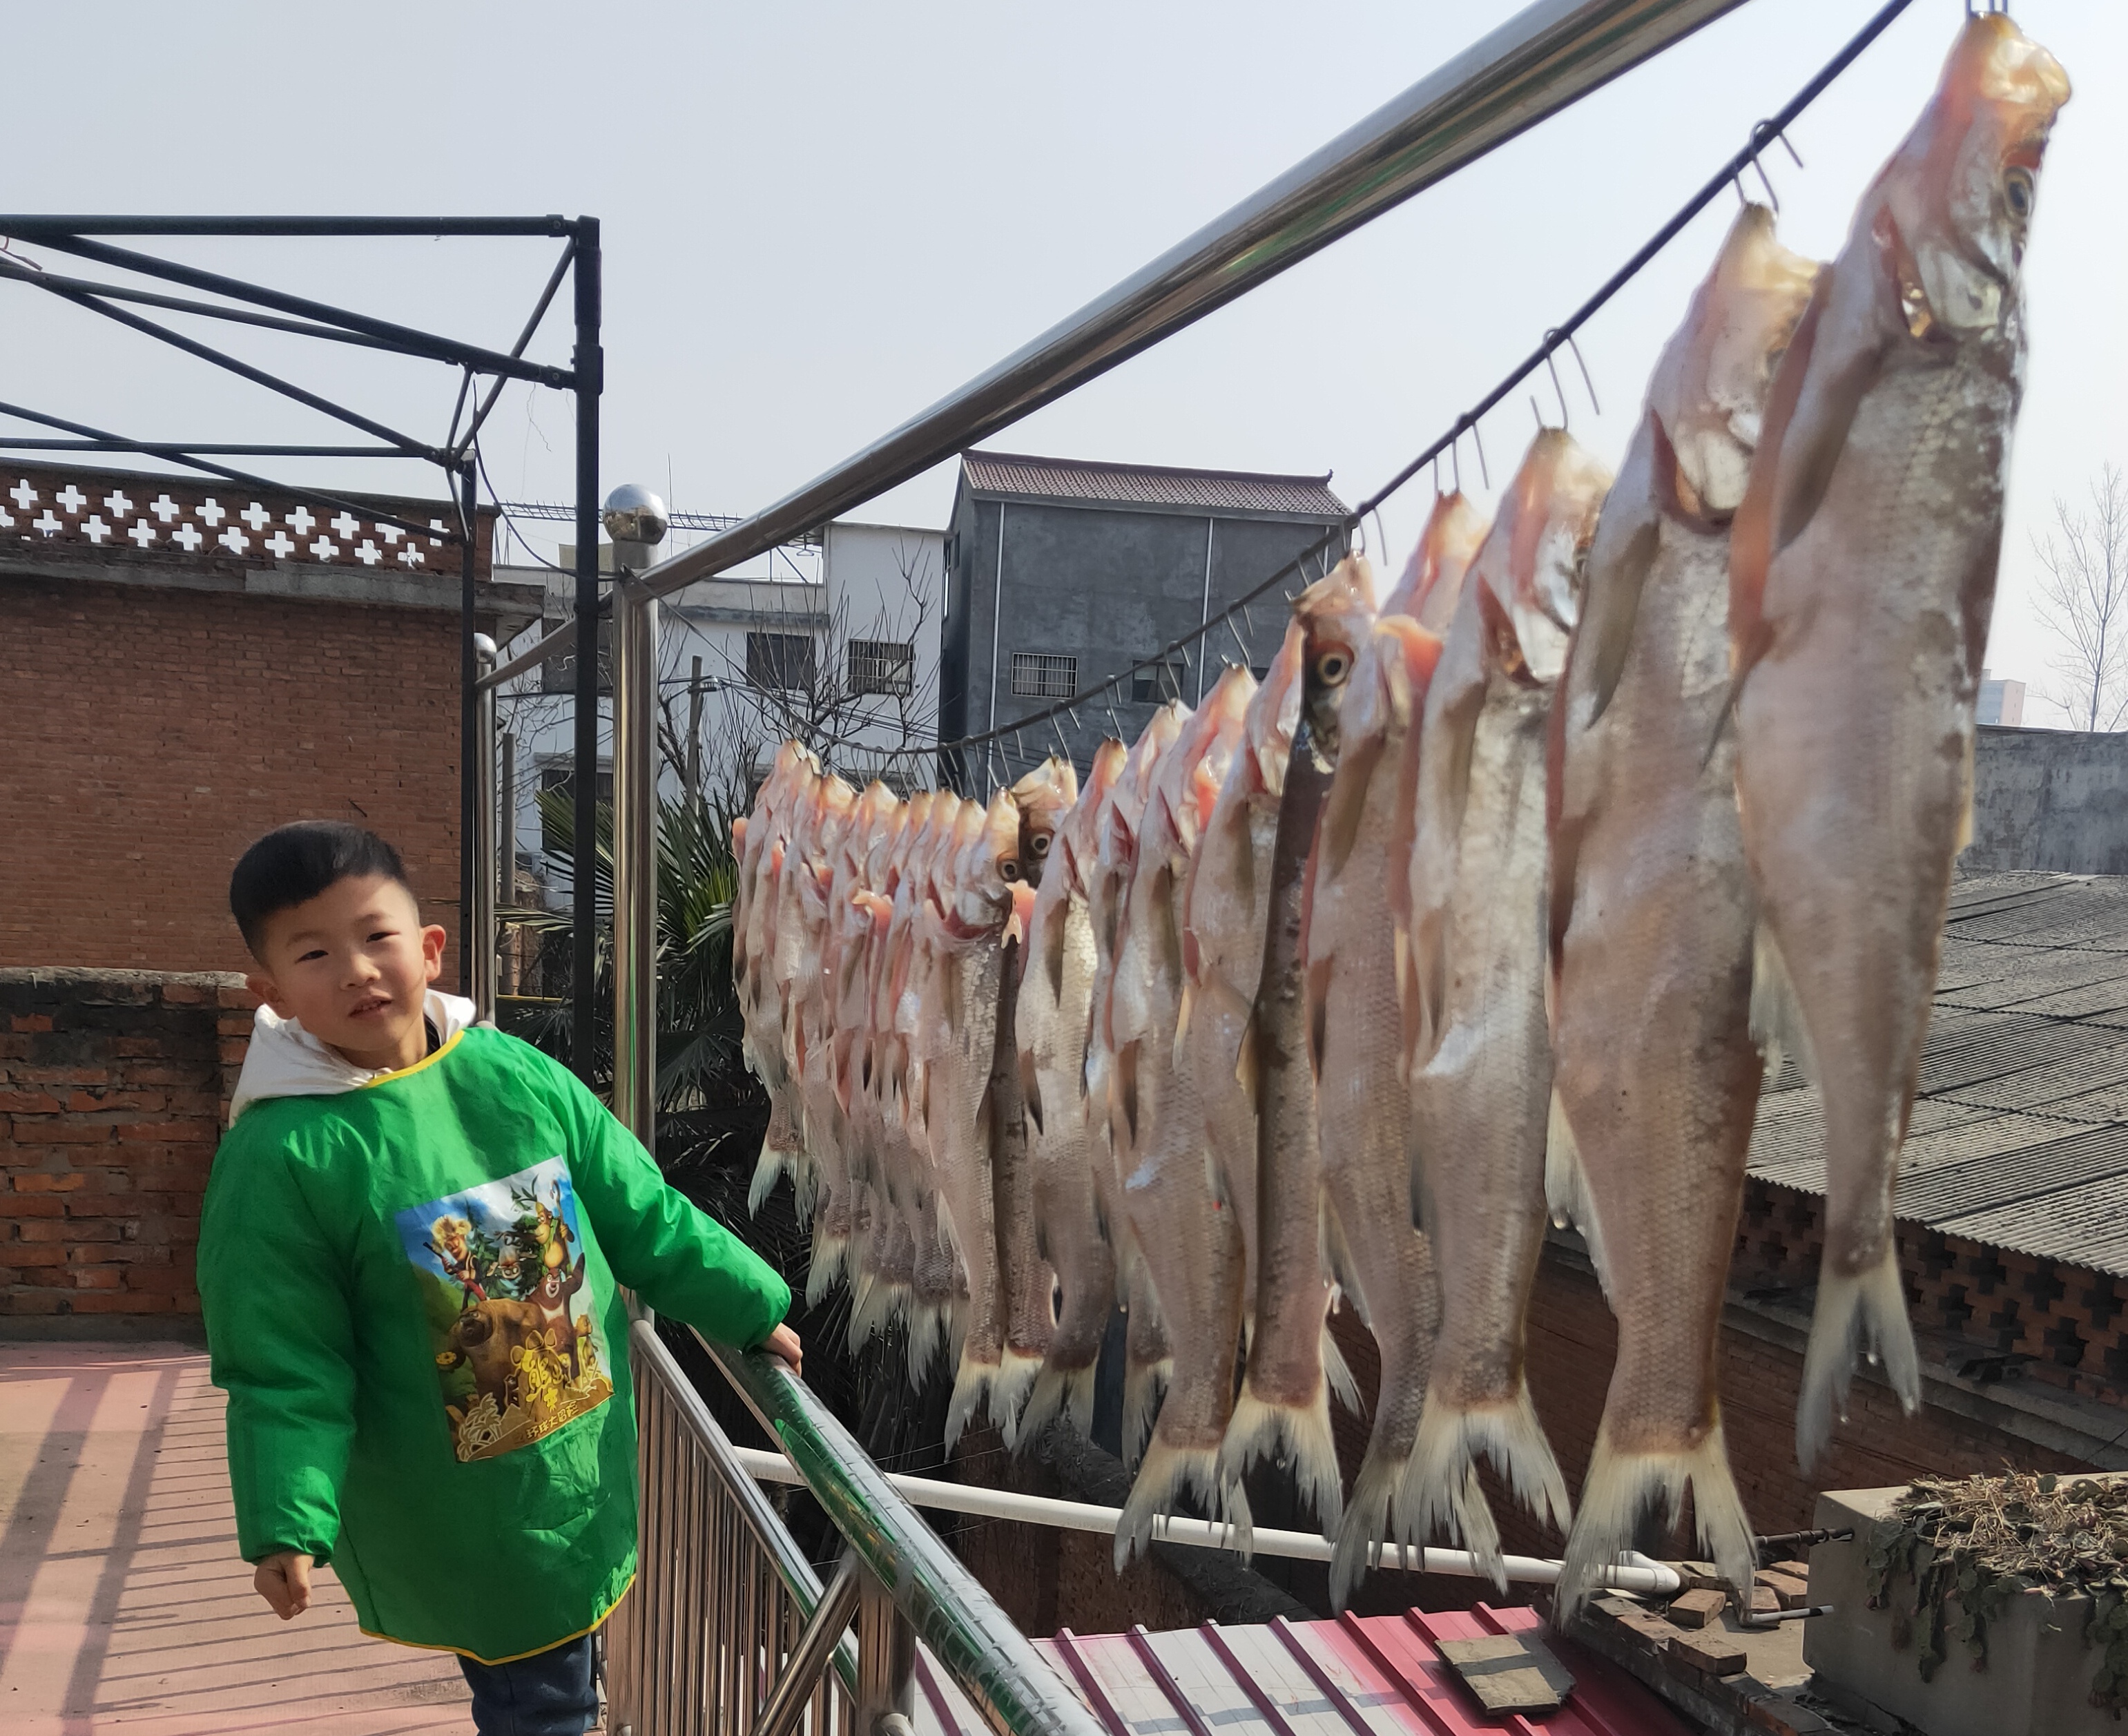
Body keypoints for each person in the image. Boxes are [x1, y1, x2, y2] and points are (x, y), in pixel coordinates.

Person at [197, 820, 802, 1736]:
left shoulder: (512, 1074)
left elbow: (640, 1210)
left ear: (429, 948)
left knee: (563, 1685)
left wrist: (750, 1306)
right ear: (272, 992)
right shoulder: (283, 1157)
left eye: (376, 935)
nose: (356, 970)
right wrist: (288, 1518)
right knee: (544, 1707)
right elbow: (283, 1361)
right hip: (461, 1510)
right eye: (314, 953)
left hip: (577, 1457)